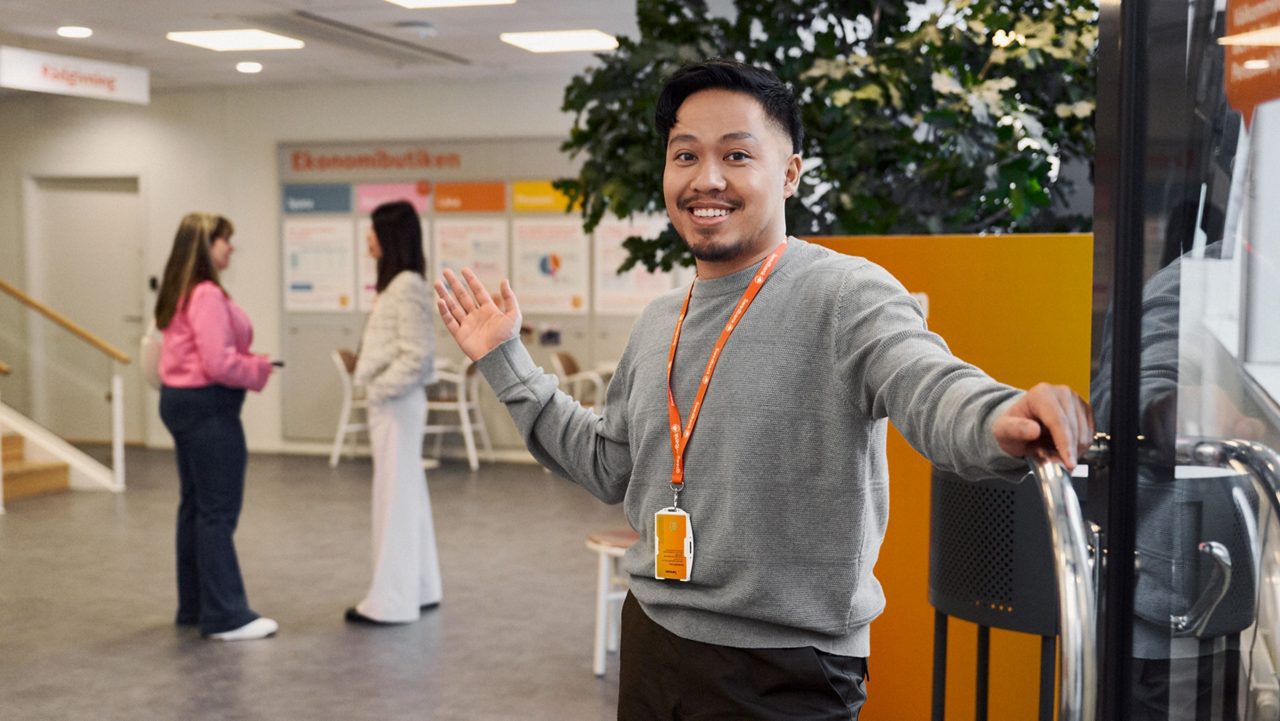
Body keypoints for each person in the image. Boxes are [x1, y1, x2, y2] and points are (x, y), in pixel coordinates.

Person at [435, 59, 1093, 718]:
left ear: (789, 173)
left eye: (737, 154)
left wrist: (998, 416)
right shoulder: (662, 318)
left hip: (786, 667)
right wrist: (505, 360)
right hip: (653, 640)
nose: (706, 178)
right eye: (685, 154)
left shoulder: (845, 293)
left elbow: (927, 380)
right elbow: (610, 465)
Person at [155, 212, 277, 641]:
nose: (231, 248)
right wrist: (259, 368)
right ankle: (225, 615)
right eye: (226, 240)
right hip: (208, 409)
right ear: (207, 245)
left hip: (181, 404)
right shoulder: (206, 294)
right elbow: (218, 362)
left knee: (195, 507)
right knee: (217, 512)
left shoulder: (183, 292)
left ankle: (194, 605)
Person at [345, 200, 443, 625]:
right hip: (397, 405)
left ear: (390, 237)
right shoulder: (404, 283)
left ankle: (392, 602)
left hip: (396, 406)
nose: (367, 239)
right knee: (406, 495)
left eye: (372, 231)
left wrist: (377, 391)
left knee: (394, 499)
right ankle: (419, 589)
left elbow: (417, 357)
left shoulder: (404, 286)